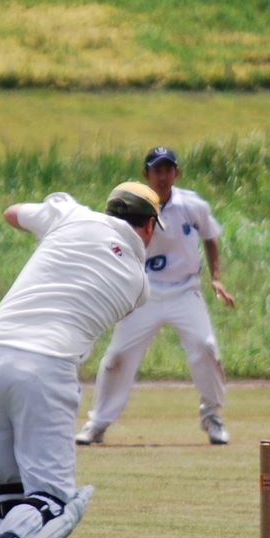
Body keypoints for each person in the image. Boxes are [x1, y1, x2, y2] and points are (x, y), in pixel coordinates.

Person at [0, 182, 164, 538]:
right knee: (55, 500)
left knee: (7, 489)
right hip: (46, 365)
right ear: (150, 227)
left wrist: (56, 219)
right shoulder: (139, 285)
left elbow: (13, 212)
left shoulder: (69, 214)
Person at [76, 146, 236, 447]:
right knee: (117, 356)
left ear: (177, 173)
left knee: (206, 347)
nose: (162, 176)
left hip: (185, 289)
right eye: (156, 170)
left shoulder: (193, 205)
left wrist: (216, 278)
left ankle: (212, 416)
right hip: (144, 290)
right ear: (146, 173)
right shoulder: (132, 205)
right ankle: (97, 423)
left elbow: (210, 237)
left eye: (168, 170)